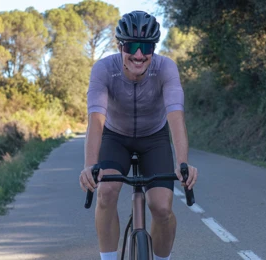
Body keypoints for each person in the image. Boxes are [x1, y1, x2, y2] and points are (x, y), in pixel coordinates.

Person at [79, 10, 198, 260]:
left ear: (154, 47)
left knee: (162, 207)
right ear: (120, 46)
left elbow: (176, 116)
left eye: (146, 46)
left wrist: (183, 162)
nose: (139, 54)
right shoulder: (103, 69)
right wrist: (90, 165)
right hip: (115, 137)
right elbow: (96, 121)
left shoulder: (165, 68)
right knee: (106, 192)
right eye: (132, 45)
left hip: (154, 137)